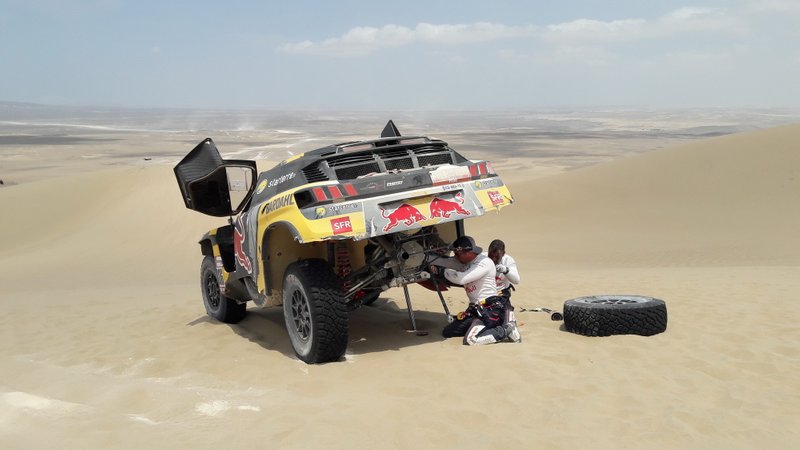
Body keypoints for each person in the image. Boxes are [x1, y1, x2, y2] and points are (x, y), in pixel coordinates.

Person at [433, 235, 521, 345]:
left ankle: (505, 330)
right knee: (448, 332)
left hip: (490, 307)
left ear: (467, 253)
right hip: (474, 308)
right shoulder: (467, 261)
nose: (455, 256)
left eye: (457, 254)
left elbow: (462, 279)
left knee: (470, 340)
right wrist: (429, 260)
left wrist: (442, 272)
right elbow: (447, 262)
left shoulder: (485, 262)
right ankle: (489, 324)